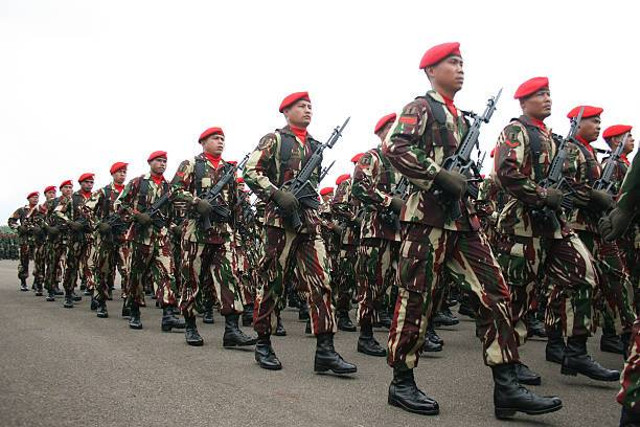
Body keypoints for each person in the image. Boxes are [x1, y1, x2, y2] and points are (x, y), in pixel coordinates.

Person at [382, 43, 561, 418]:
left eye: (462, 62)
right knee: (416, 299)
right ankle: (401, 382)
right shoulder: (420, 108)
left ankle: (507, 385)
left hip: (463, 222)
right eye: (452, 62)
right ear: (431, 71)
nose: (460, 68)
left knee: (496, 291)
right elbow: (394, 147)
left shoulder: (462, 119)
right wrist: (437, 175)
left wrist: (469, 184)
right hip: (427, 220)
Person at [243, 91, 357, 374]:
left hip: (308, 220)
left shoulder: (316, 146)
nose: (308, 110)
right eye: (301, 106)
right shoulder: (275, 140)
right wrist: (275, 193)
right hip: (279, 222)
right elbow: (250, 170)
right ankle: (263, 343)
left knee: (321, 281)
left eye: (310, 106)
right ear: (286, 111)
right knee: (272, 282)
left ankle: (326, 350)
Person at [170, 127, 256, 348]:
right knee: (192, 280)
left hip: (223, 233)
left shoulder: (229, 169)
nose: (220, 142)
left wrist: (237, 229)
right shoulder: (191, 165)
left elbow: (235, 202)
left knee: (229, 279)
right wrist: (197, 202)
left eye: (223, 139)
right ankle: (190, 326)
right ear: (203, 142)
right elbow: (175, 191)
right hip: (196, 233)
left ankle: (232, 330)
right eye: (215, 138)